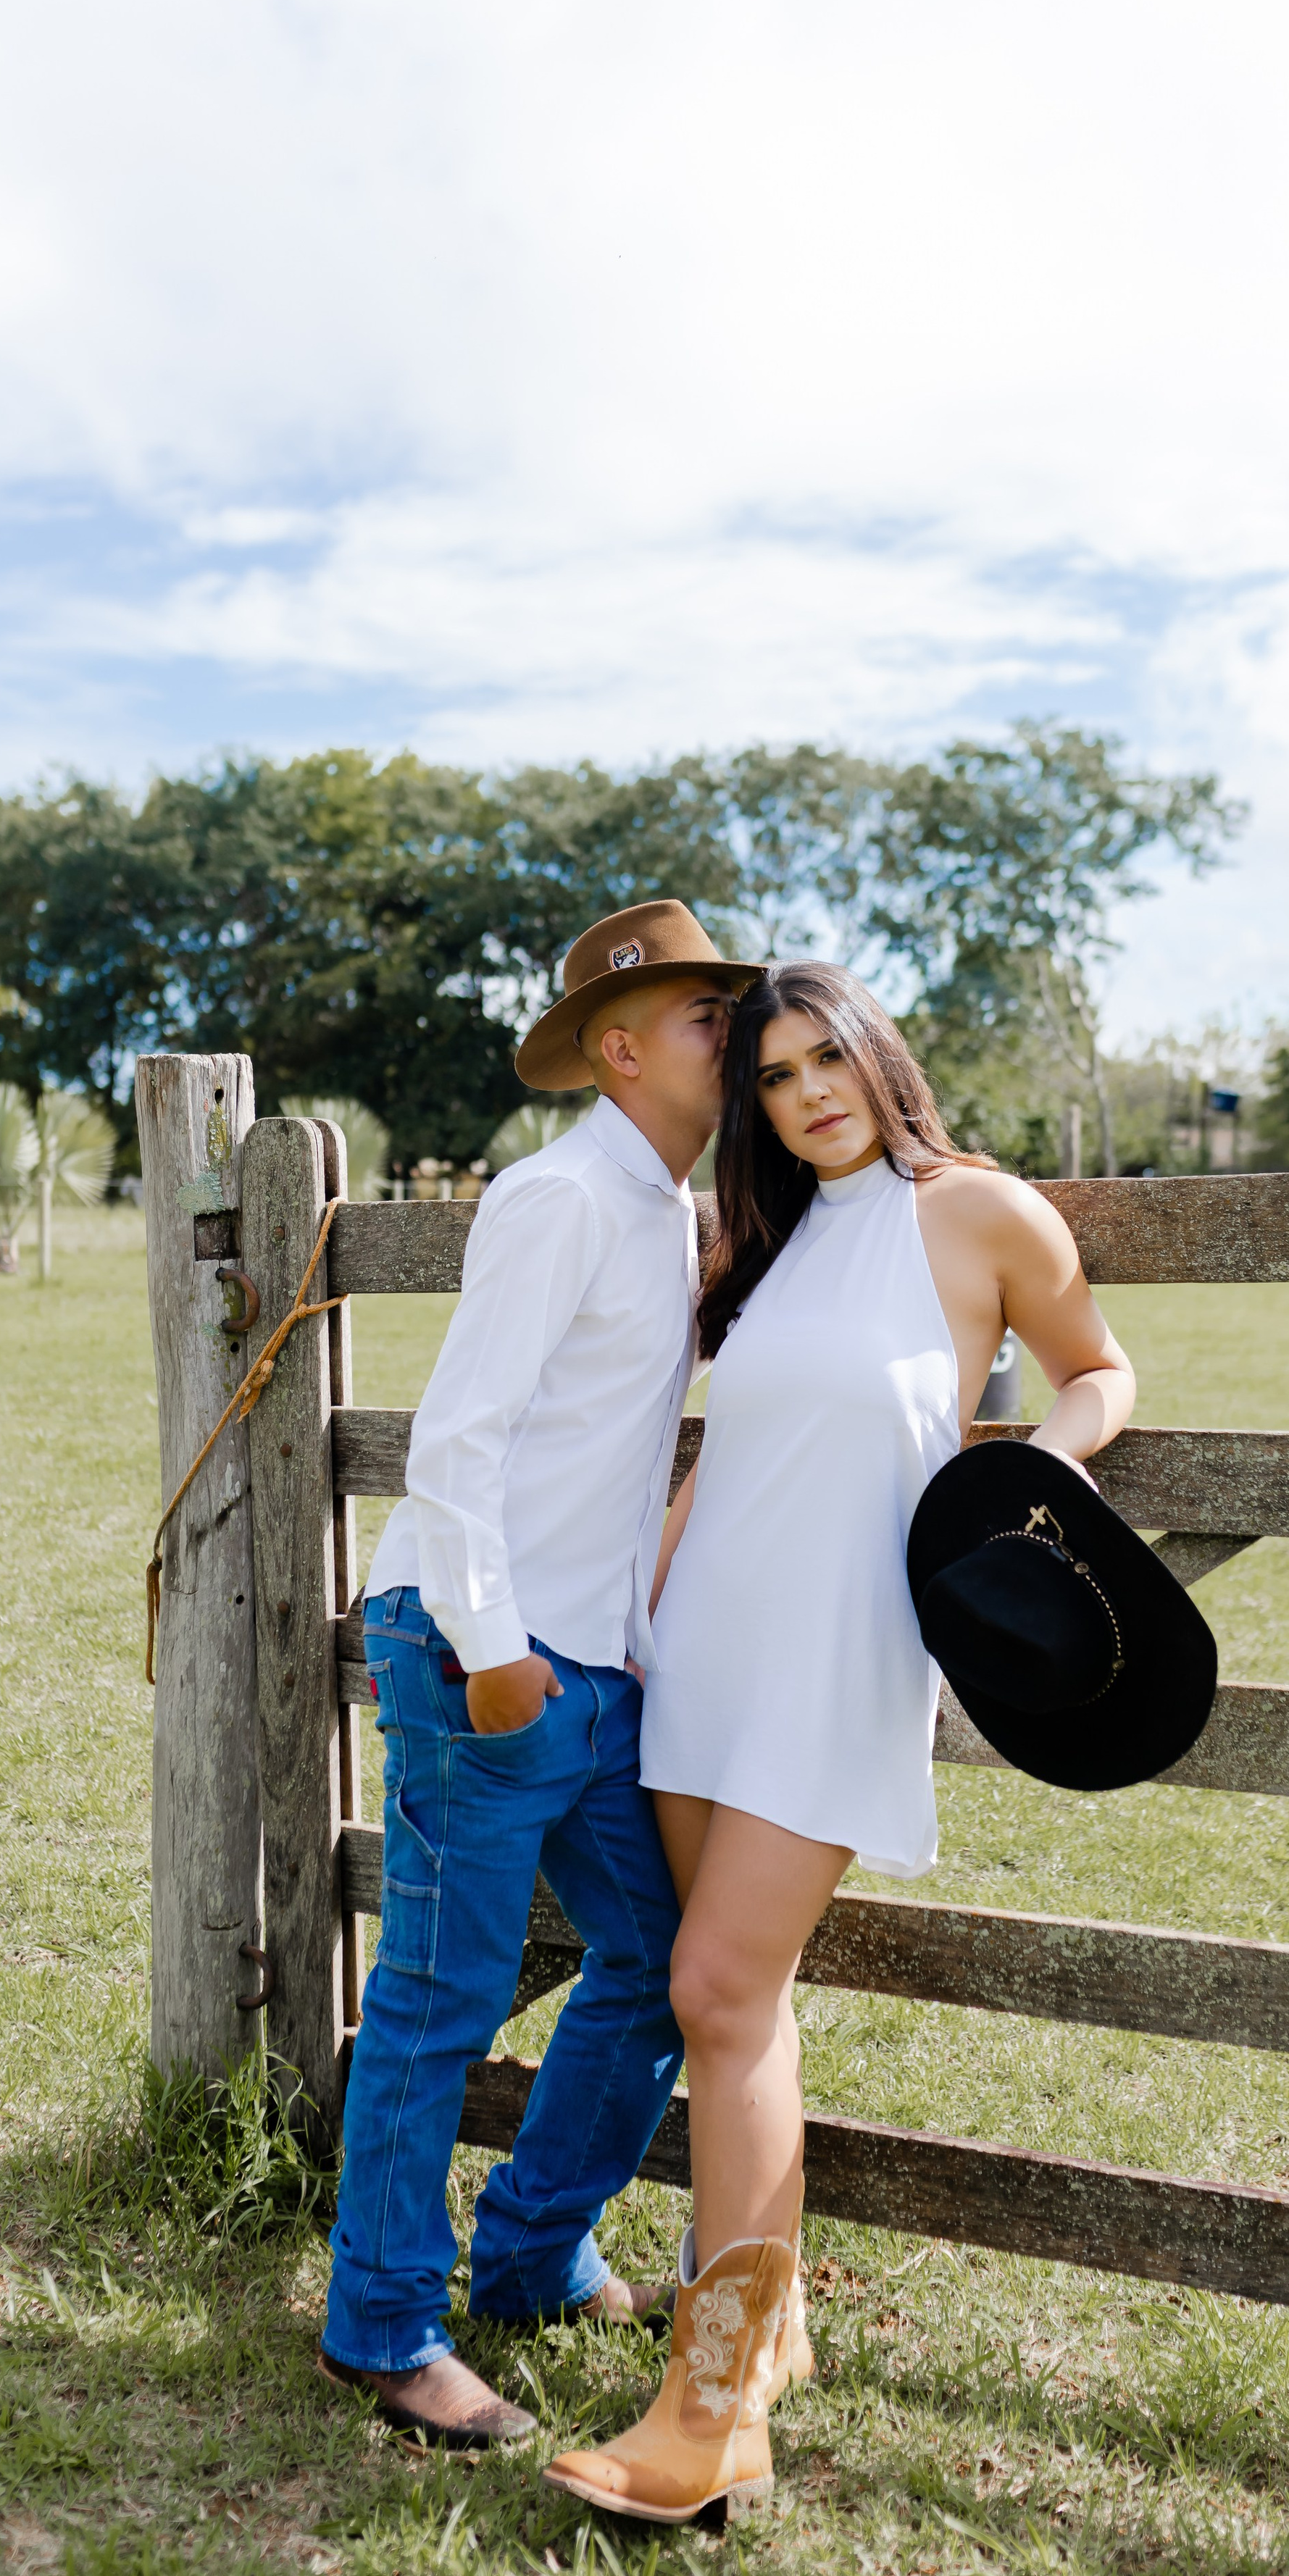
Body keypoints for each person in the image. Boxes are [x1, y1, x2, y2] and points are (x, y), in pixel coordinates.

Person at [543, 960, 1136, 2522]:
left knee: (712, 1988)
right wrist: (634, 1617)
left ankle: (712, 2403)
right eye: (773, 1077)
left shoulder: (983, 1215)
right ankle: (774, 2326)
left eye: (826, 1059)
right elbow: (715, 1459)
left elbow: (1098, 1369)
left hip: (840, 1656)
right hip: (704, 1651)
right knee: (741, 2005)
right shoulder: (765, 1233)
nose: (807, 1094)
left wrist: (1035, 1478)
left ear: (879, 1057)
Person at [319, 899, 762, 2449]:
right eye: (710, 1017)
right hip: (483, 1656)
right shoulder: (559, 1197)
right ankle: (381, 2325)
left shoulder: (665, 1213)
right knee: (439, 2002)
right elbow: (461, 1437)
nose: (738, 1033)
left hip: (595, 1667)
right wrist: (495, 1650)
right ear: (622, 1048)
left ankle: (522, 2253)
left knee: (652, 1967)